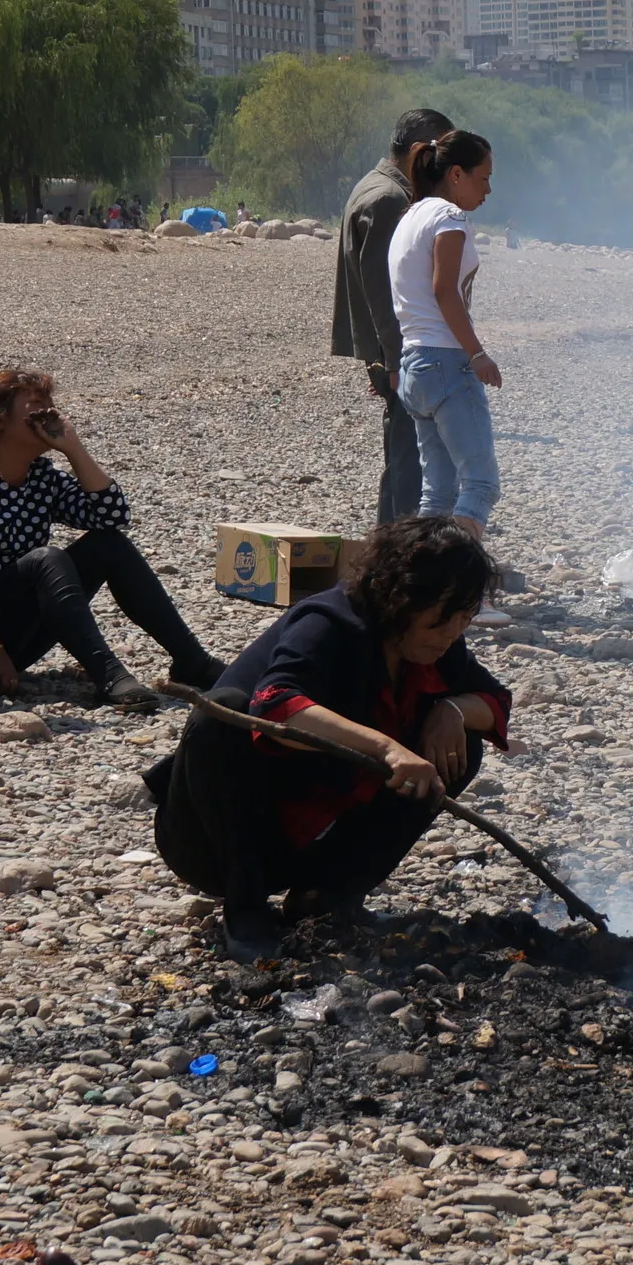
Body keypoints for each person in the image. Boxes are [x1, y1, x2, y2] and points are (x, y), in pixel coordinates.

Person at [144, 517, 512, 960]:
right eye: (440, 621)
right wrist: (387, 748)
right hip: (216, 838)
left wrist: (451, 709)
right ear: (400, 599)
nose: (452, 634)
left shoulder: (435, 640)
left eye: (464, 619)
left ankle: (326, 897)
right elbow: (276, 706)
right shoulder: (329, 623)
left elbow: (494, 700)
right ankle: (246, 909)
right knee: (222, 715)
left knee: (459, 747)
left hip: (310, 838)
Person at [0, 370, 224, 711]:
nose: (48, 414)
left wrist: (72, 447)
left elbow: (112, 516)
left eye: (51, 405)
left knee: (108, 544)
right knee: (45, 558)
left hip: (17, 632)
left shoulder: (41, 477)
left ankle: (191, 661)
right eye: (36, 405)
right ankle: (107, 674)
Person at [334, 108, 455, 523]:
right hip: (402, 356)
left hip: (388, 355)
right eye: (441, 161)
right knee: (410, 465)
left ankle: (391, 555)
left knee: (404, 459)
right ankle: (399, 559)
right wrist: (393, 362)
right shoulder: (390, 199)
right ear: (422, 153)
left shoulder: (374, 186)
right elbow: (384, 293)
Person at [389, 129, 501, 534]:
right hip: (447, 361)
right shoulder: (448, 218)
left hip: (414, 363)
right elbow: (444, 291)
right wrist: (477, 353)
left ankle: (422, 585)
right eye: (483, 177)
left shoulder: (410, 217)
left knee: (437, 494)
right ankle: (459, 590)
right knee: (481, 485)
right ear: (457, 174)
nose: (488, 190)